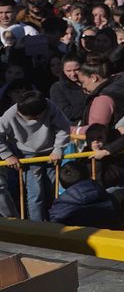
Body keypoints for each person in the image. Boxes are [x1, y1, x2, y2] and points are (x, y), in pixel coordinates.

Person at [0, 91, 70, 220]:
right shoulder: (11, 113)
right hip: (27, 154)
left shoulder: (50, 107)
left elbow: (64, 128)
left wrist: (58, 149)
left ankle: (53, 221)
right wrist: (7, 155)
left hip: (51, 153)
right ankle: (36, 225)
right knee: (35, 193)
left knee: (52, 190)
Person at [46, 159, 119, 228]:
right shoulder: (110, 199)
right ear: (87, 174)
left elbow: (54, 231)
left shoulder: (60, 208)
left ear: (62, 184)